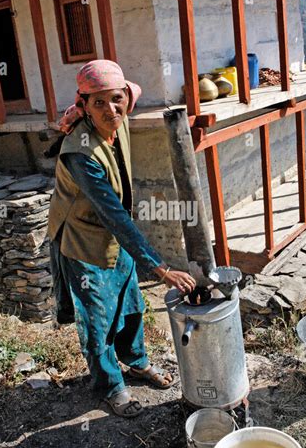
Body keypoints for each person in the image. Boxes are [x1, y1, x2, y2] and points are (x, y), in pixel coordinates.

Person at [48, 60, 196, 418]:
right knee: (97, 319)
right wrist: (161, 270)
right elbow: (112, 213)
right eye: (98, 103)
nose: (110, 110)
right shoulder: (80, 154)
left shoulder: (118, 118)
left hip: (117, 235)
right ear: (84, 106)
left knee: (131, 304)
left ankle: (136, 361)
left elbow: (118, 219)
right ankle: (110, 386)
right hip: (84, 241)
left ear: (127, 98)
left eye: (116, 99)